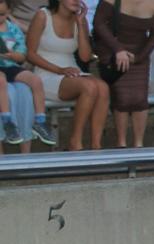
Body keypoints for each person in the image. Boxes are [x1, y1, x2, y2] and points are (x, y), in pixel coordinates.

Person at [26, 0, 110, 150]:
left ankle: (96, 145)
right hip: (46, 74)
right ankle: (75, 141)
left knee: (103, 88)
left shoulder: (79, 18)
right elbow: (30, 54)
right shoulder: (42, 15)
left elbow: (85, 57)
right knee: (89, 86)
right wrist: (59, 70)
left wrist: (80, 23)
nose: (76, 1)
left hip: (72, 72)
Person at [92, 0, 154, 148]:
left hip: (139, 52)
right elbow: (99, 24)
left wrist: (140, 57)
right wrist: (118, 49)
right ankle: (121, 143)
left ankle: (139, 143)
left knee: (140, 98)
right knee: (122, 98)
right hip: (113, 51)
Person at [0, 0, 56, 145]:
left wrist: (15, 56)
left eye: (2, 14)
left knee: (35, 80)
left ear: (8, 13)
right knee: (1, 81)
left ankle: (40, 121)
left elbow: (22, 53)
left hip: (10, 65)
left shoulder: (12, 28)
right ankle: (7, 121)